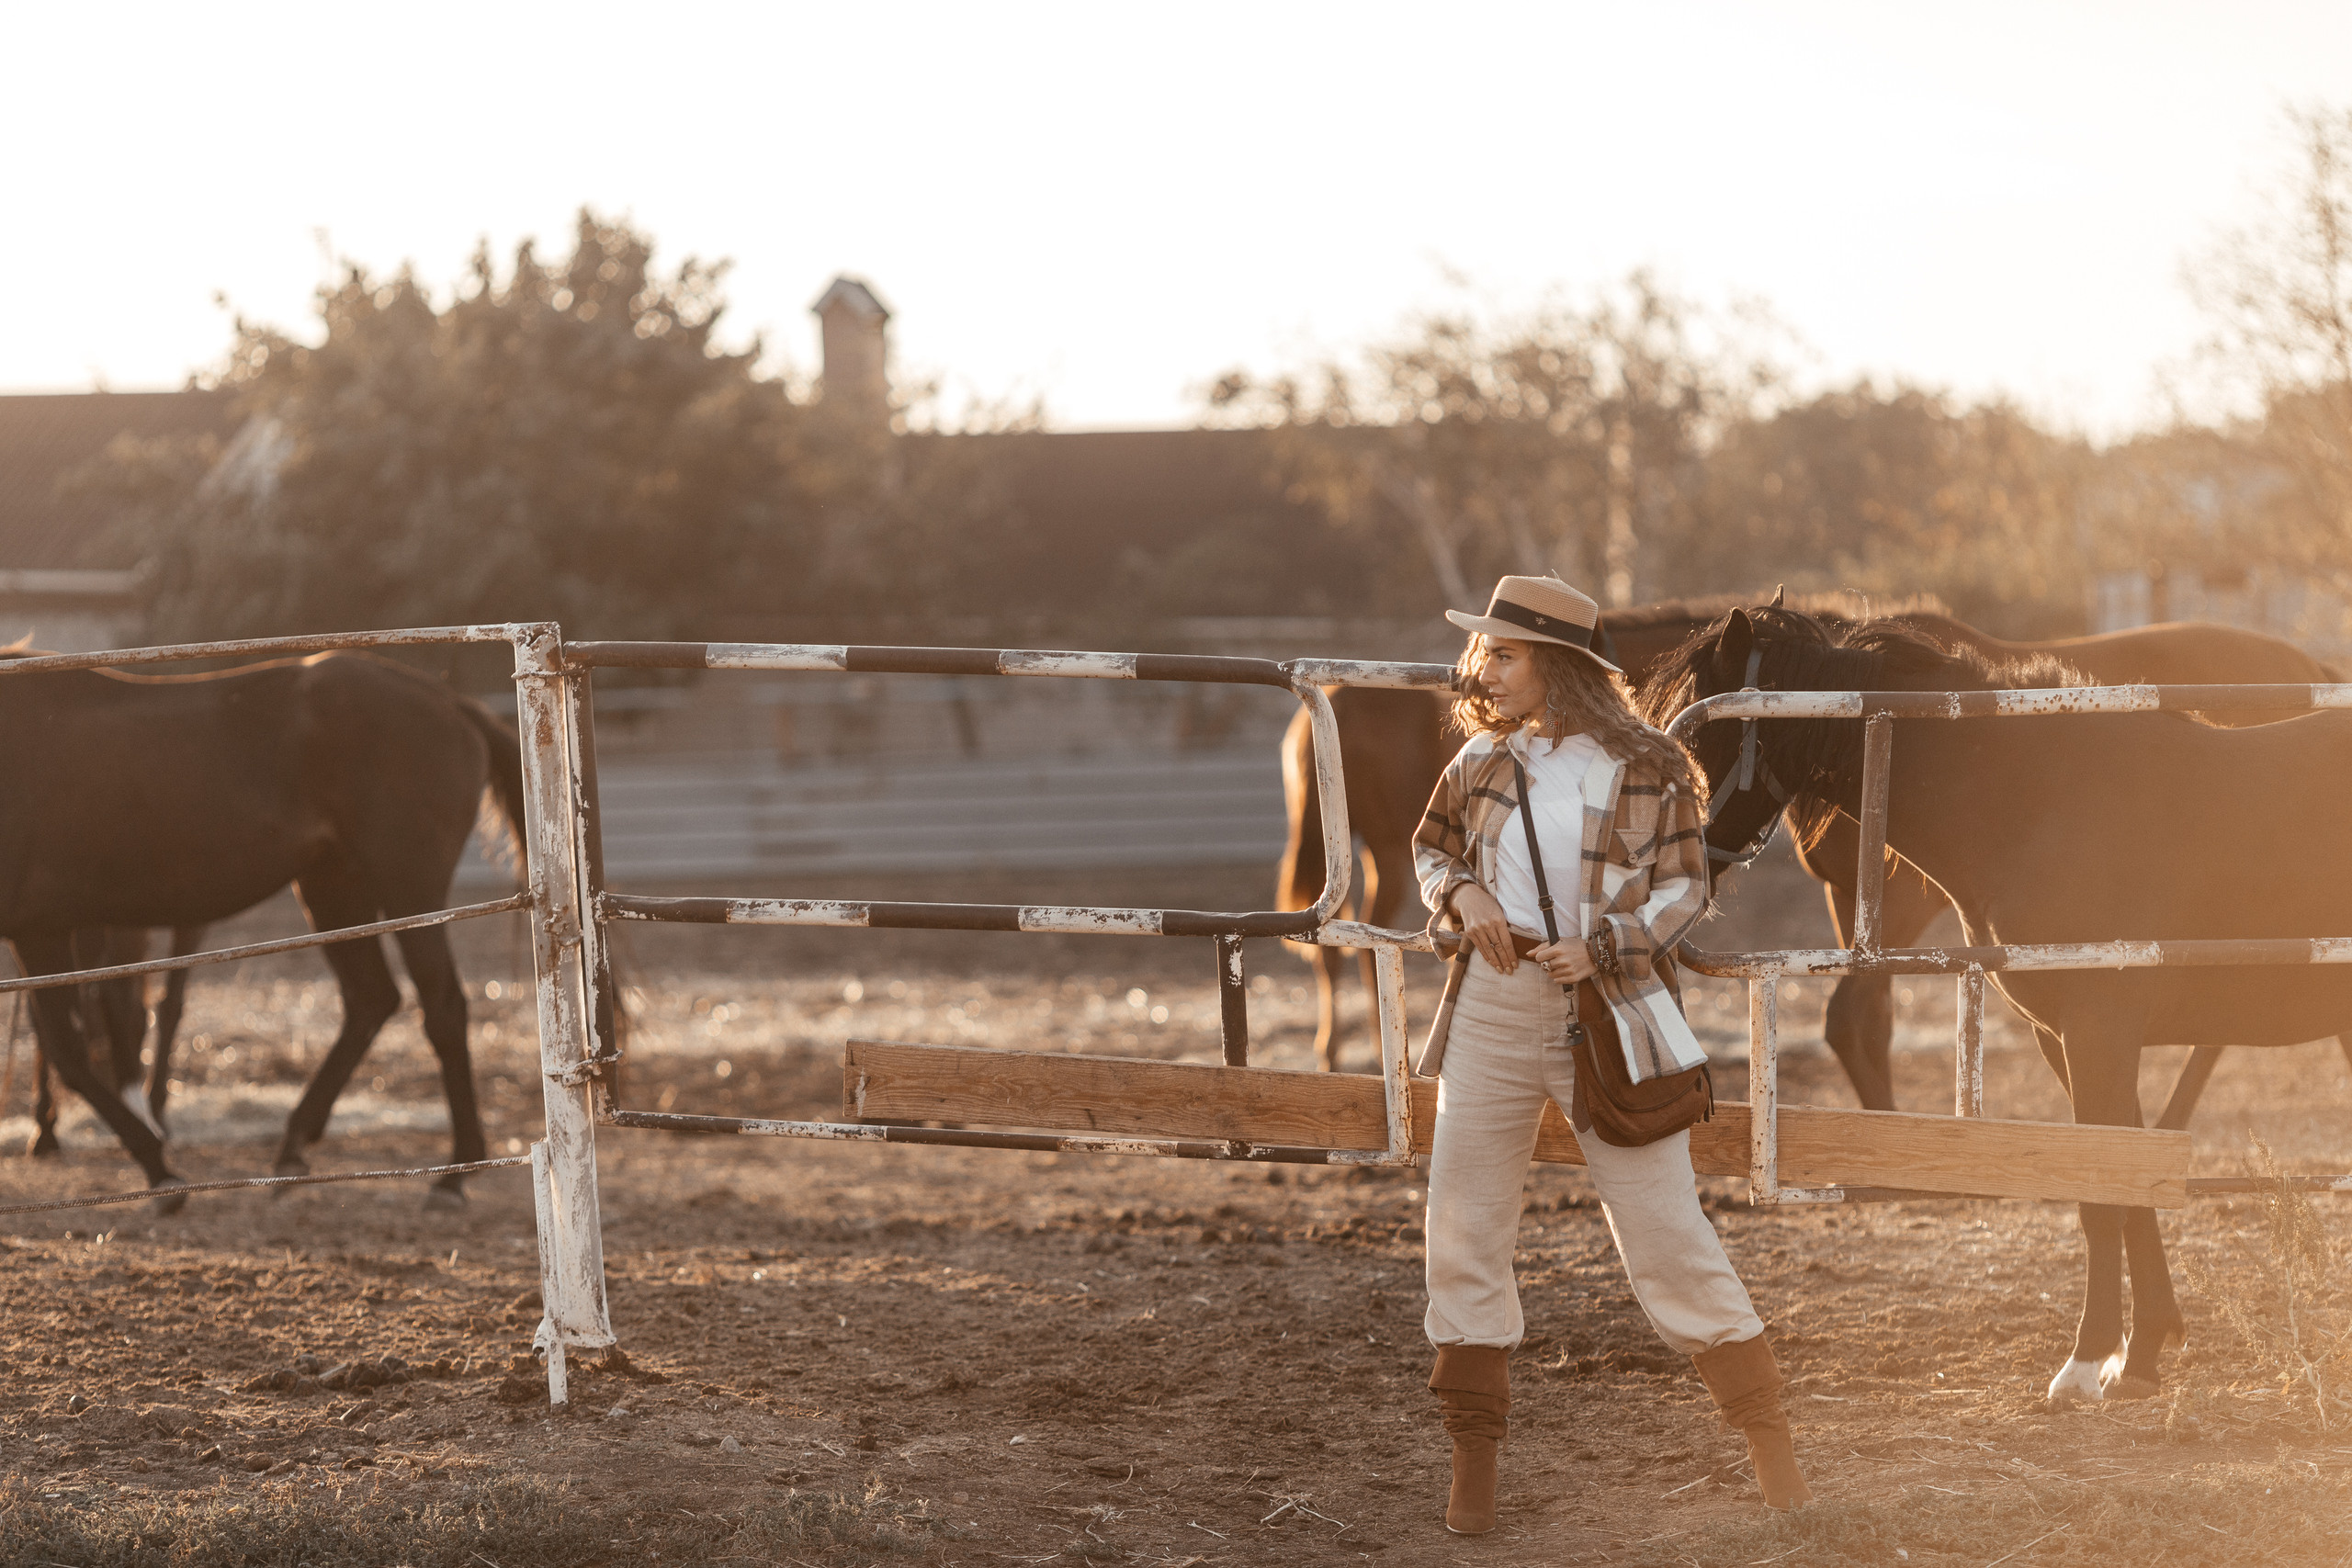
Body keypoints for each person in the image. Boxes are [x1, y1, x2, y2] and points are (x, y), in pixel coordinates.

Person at [1412, 574, 1812, 1535]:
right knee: (1463, 1232)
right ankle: (1473, 1480)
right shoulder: (1478, 760)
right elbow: (1432, 848)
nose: (1483, 671)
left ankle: (1773, 1454)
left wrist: (1604, 946)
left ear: (1559, 665)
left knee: (1666, 1233)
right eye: (1485, 654)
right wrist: (1459, 897)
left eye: (1503, 654)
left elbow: (1684, 890)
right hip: (1489, 1016)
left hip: (1612, 1015)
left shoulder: (1652, 764)